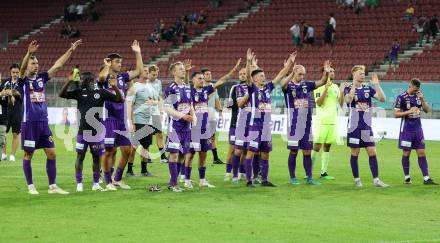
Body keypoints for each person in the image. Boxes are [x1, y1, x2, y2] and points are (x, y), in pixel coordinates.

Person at [18, 39, 82, 195]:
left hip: (43, 123)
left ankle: (52, 186)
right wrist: (29, 53)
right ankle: (31, 186)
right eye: (33, 63)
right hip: (30, 122)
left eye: (37, 63)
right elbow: (20, 69)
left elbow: (58, 66)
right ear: (27, 66)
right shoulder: (23, 81)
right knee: (28, 154)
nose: (36, 65)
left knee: (52, 153)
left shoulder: (42, 78)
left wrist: (70, 50)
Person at [59, 71, 124, 192]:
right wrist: (68, 81)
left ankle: (95, 183)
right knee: (80, 157)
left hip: (96, 133)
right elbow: (62, 94)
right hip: (82, 132)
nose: (81, 81)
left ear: (90, 80)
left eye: (83, 79)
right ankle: (79, 183)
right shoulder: (79, 92)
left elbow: (120, 100)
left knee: (96, 158)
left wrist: (114, 87)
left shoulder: (101, 92)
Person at [240, 49, 295, 187]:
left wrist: (289, 64)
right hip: (255, 126)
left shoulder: (268, 88)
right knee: (251, 153)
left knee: (265, 154)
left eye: (264, 75)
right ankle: (248, 180)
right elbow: (247, 76)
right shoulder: (252, 88)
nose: (264, 77)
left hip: (266, 127)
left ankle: (264, 180)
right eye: (261, 76)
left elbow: (280, 75)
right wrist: (248, 61)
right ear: (255, 78)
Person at [97, 40, 143, 191]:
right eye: (117, 62)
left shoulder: (123, 77)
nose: (120, 64)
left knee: (127, 150)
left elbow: (139, 71)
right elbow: (102, 78)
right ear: (110, 62)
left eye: (120, 62)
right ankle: (108, 180)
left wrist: (138, 53)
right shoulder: (103, 77)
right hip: (108, 119)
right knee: (109, 150)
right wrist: (106, 66)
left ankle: (117, 179)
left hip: (121, 119)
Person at [283, 60, 329, 186]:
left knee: (307, 152)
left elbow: (322, 81)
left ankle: (309, 177)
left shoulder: (306, 85)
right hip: (293, 125)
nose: (302, 77)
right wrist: (290, 73)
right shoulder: (288, 87)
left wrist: (326, 71)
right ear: (294, 73)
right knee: (293, 151)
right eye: (300, 74)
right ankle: (293, 177)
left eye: (303, 74)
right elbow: (282, 84)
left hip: (306, 126)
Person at [343, 65, 388, 187]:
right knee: (355, 152)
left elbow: (383, 99)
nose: (363, 75)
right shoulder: (347, 88)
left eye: (363, 73)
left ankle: (376, 180)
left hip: (367, 127)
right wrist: (353, 86)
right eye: (360, 73)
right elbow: (348, 100)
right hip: (354, 127)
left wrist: (377, 85)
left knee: (372, 151)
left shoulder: (368, 88)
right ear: (354, 75)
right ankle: (357, 180)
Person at [394, 78, 437, 185]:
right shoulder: (401, 97)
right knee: (406, 153)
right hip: (406, 130)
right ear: (410, 86)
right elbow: (396, 114)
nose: (416, 91)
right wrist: (409, 111)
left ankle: (426, 178)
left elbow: (427, 110)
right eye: (415, 89)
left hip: (418, 129)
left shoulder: (419, 96)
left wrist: (422, 99)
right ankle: (407, 177)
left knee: (422, 152)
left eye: (418, 89)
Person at [163, 61, 196, 192]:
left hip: (186, 127)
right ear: (174, 72)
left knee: (183, 154)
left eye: (183, 69)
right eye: (180, 69)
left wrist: (194, 117)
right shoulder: (171, 88)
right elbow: (167, 108)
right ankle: (173, 183)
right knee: (174, 154)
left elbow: (190, 105)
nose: (183, 70)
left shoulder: (188, 88)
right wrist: (182, 116)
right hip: (175, 127)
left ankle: (174, 179)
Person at [126, 65, 156, 177]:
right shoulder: (135, 87)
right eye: (145, 71)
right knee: (133, 146)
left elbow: (155, 100)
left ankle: (144, 170)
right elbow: (130, 105)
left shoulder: (150, 87)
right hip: (138, 120)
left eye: (148, 71)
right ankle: (129, 170)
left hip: (149, 120)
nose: (148, 72)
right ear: (139, 73)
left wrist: (154, 103)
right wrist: (131, 122)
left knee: (146, 146)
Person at [311, 66, 341, 180]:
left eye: (334, 71)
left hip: (332, 121)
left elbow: (341, 103)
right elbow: (318, 103)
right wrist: (326, 89)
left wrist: (342, 91)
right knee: (317, 146)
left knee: (327, 146)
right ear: (325, 73)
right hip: (322, 121)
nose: (333, 73)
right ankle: (309, 172)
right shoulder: (318, 87)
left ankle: (323, 172)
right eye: (330, 71)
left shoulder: (336, 87)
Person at [224, 67, 247, 181]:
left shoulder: (251, 88)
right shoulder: (235, 88)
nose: (242, 75)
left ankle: (241, 171)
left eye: (244, 73)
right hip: (235, 123)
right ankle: (228, 172)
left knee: (244, 150)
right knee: (233, 149)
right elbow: (229, 105)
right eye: (240, 74)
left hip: (246, 123)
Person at [200, 68, 223, 164]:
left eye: (210, 74)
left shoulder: (213, 87)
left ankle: (215, 158)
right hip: (201, 115)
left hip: (212, 115)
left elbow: (217, 100)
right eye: (207, 74)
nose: (209, 75)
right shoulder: (200, 87)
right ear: (203, 76)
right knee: (200, 137)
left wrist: (220, 111)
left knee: (212, 137)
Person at [147, 64, 167, 163]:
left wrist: (161, 111)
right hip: (146, 113)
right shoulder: (143, 83)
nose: (155, 76)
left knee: (159, 134)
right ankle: (147, 156)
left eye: (156, 74)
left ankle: (163, 157)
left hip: (155, 112)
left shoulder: (158, 82)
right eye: (153, 75)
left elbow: (159, 97)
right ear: (148, 73)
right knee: (148, 135)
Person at [2, 63, 22, 161]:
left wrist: (12, 92)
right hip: (6, 111)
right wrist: (4, 92)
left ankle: (12, 155)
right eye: (13, 72)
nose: (15, 74)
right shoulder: (5, 82)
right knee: (3, 133)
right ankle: (3, 154)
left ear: (19, 73)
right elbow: (1, 92)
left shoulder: (21, 83)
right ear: (10, 72)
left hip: (17, 111)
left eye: (17, 72)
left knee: (15, 133)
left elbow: (20, 94)